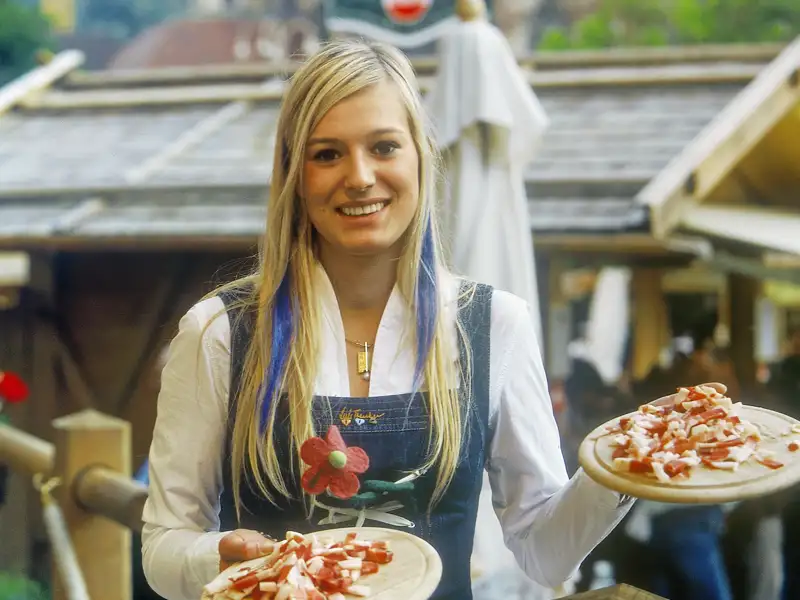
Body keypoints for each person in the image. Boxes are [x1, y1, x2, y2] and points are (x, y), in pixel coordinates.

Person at [140, 39, 635, 600]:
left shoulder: (495, 324)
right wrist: (216, 556)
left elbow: (544, 553)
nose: (359, 176)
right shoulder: (221, 332)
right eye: (326, 154)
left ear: (421, 156)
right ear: (293, 175)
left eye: (383, 147)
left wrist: (624, 465)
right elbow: (164, 542)